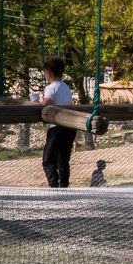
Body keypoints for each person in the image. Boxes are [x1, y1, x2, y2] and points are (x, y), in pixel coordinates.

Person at [40, 58, 76, 188]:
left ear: (49, 72)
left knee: (48, 159)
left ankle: (53, 185)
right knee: (63, 159)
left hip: (57, 127)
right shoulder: (65, 86)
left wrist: (37, 103)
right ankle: (64, 184)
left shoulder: (51, 88)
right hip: (70, 126)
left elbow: (46, 104)